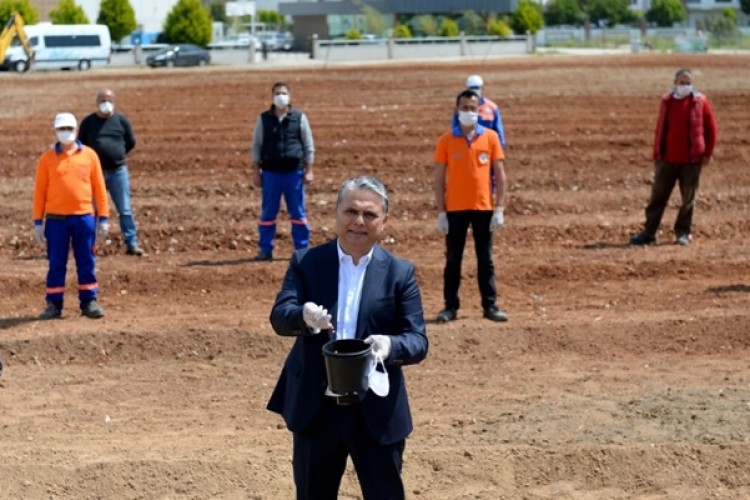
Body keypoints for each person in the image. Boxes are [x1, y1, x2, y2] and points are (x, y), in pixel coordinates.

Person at [267, 176, 429, 499]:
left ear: (384, 221)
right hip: (317, 409)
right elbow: (280, 315)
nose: (359, 221)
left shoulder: (400, 273)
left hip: (375, 412)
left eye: (370, 214)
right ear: (336, 214)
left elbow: (417, 340)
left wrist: (390, 345)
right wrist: (304, 316)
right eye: (351, 211)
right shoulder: (306, 263)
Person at [434, 89, 508, 323]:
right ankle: (450, 307)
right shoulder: (446, 141)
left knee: (485, 259)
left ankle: (490, 305)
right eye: (464, 108)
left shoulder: (491, 138)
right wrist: (441, 212)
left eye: (473, 108)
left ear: (479, 110)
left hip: (483, 208)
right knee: (453, 259)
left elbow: (500, 174)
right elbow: (438, 179)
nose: (469, 112)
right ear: (457, 111)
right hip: (455, 209)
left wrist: (500, 208)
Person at [32, 113, 110, 320]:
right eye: (61, 129)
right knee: (56, 263)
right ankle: (54, 304)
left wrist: (103, 217)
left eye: (69, 128)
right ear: (56, 131)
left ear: (76, 130)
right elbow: (40, 192)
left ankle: (89, 302)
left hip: (84, 218)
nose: (65, 132)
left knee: (86, 260)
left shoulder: (90, 156)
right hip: (56, 220)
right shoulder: (46, 159)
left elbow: (99, 188)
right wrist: (38, 221)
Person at [630, 68, 718, 246]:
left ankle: (683, 233)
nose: (685, 86)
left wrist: (707, 153)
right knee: (657, 198)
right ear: (675, 83)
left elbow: (711, 129)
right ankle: (649, 233)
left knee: (688, 199)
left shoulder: (700, 101)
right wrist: (657, 153)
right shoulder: (667, 101)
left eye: (688, 83)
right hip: (667, 159)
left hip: (691, 160)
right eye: (681, 82)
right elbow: (661, 128)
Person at [251, 82, 315, 261]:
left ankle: (302, 250)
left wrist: (309, 170)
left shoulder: (299, 118)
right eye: (278, 93)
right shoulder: (264, 119)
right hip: (271, 173)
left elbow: (308, 145)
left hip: (294, 173)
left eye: (284, 93)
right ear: (272, 97)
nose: (281, 96)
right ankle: (265, 250)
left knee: (298, 213)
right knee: (268, 213)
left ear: (290, 96)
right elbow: (256, 145)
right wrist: (256, 171)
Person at [78, 88, 146, 256]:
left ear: (114, 101)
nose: (105, 103)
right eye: (102, 99)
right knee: (91, 210)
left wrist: (117, 155)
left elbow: (130, 142)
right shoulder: (88, 122)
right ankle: (88, 245)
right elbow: (81, 145)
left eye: (108, 99)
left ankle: (131, 243)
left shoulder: (121, 121)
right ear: (96, 102)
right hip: (95, 173)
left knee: (125, 209)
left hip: (118, 171)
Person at [452, 74, 507, 149]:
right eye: (472, 88)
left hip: (488, 147)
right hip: (466, 147)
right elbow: (455, 128)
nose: (475, 90)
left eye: (477, 87)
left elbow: (498, 130)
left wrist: (500, 147)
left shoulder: (492, 107)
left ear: (482, 88)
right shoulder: (461, 108)